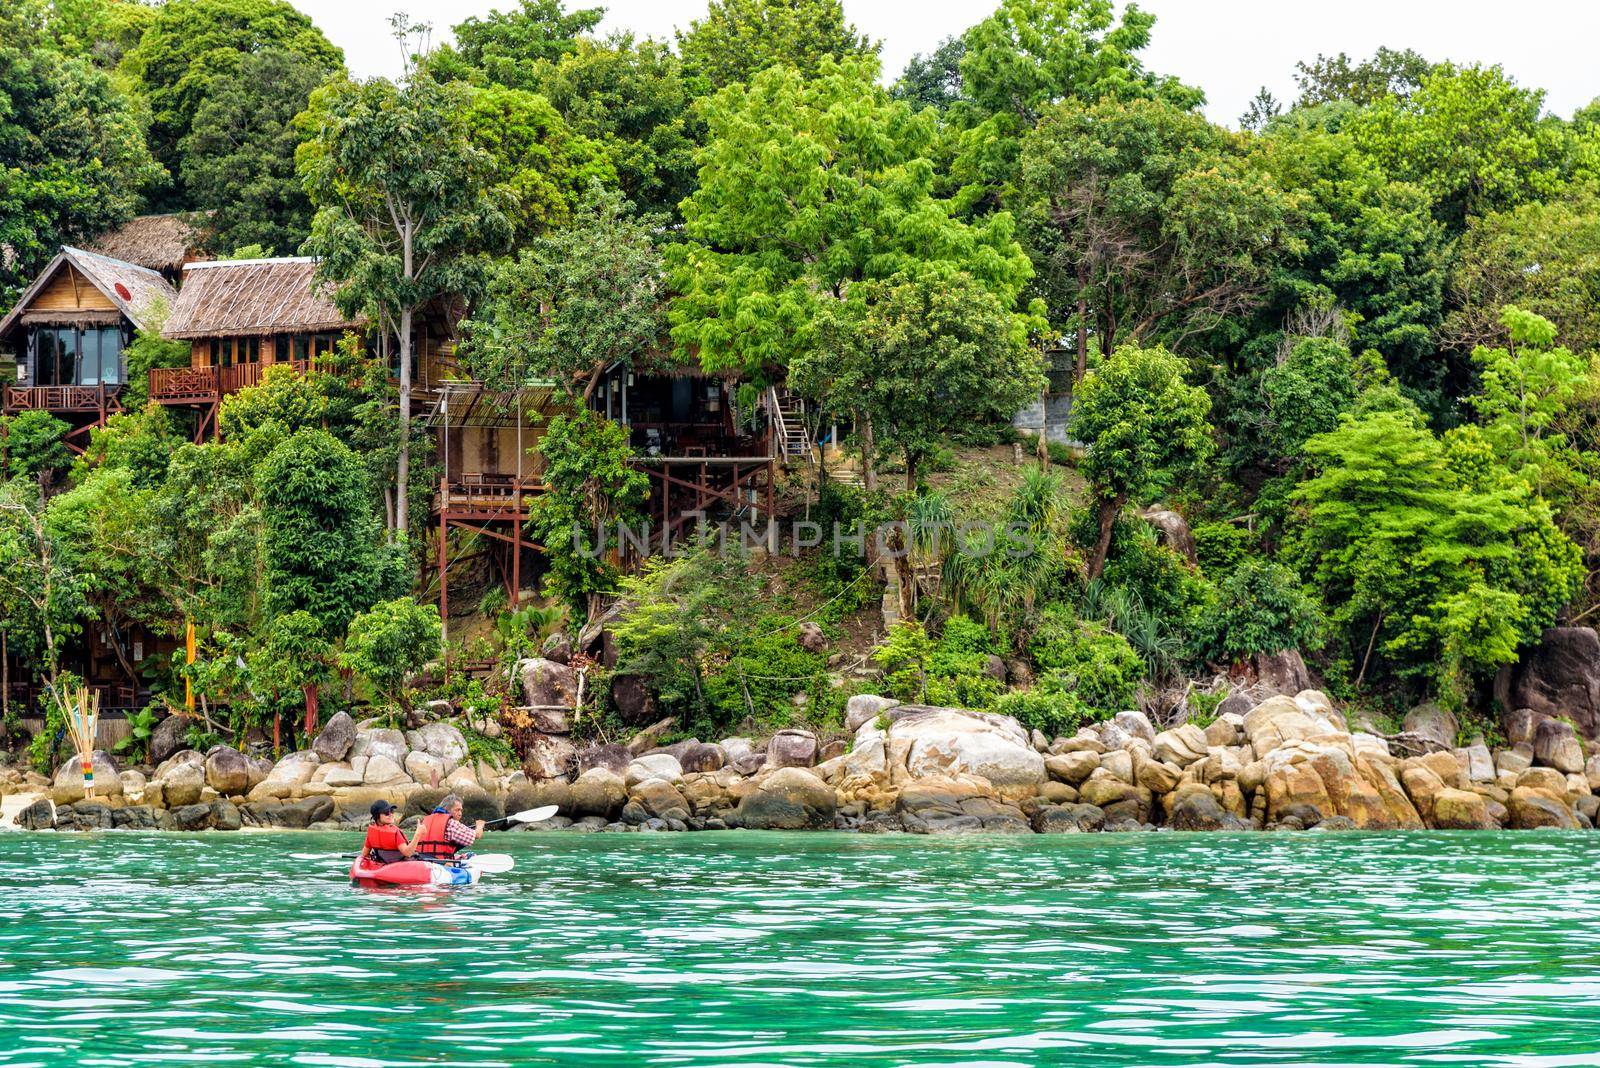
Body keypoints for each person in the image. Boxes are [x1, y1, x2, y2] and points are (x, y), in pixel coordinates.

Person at [413, 793, 485, 862]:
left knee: (456, 855)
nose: (460, 814)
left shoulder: (425, 821)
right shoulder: (452, 823)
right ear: (447, 809)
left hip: (423, 861)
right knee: (472, 855)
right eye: (457, 810)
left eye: (461, 810)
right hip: (442, 864)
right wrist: (479, 826)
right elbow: (477, 835)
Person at [359, 799, 415, 865]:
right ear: (377, 816)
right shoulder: (396, 833)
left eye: (391, 811)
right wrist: (418, 834)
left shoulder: (372, 833)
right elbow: (408, 853)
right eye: (386, 813)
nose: (390, 814)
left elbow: (364, 854)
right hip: (400, 866)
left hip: (382, 865)